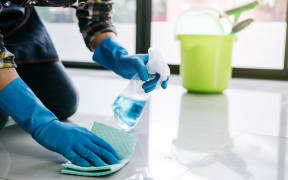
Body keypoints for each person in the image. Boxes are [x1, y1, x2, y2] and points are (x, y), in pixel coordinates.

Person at [0, 0, 169, 167]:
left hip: (18, 21)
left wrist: (118, 56)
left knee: (61, 102)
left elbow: (95, 14)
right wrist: (43, 124)